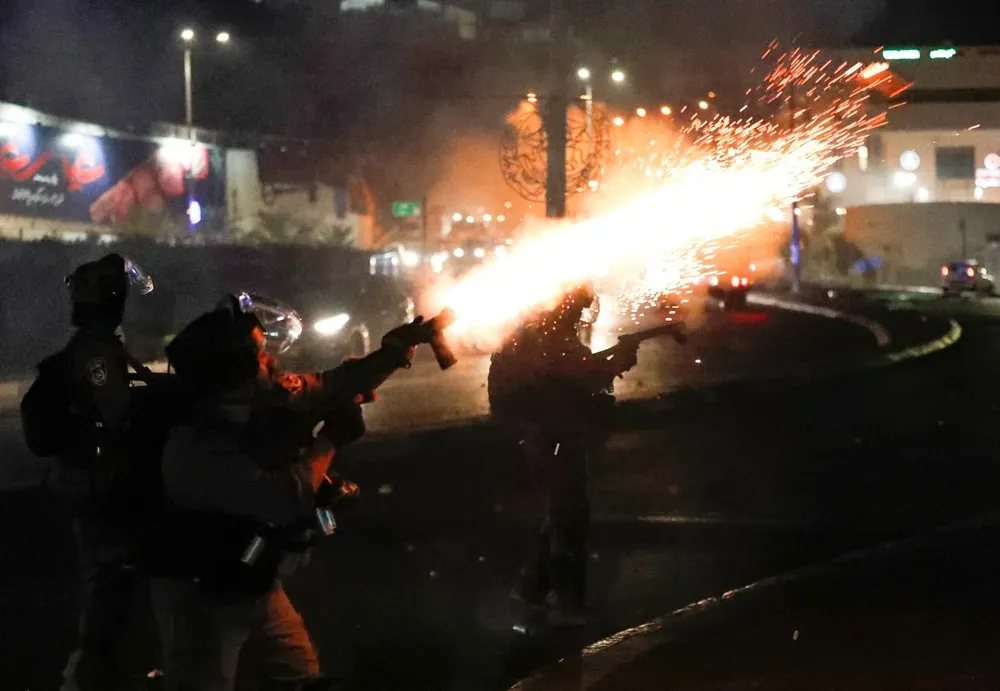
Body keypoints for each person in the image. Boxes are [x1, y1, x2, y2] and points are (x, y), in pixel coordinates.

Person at [145, 295, 424, 691]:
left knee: (302, 680)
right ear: (231, 373)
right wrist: (329, 440)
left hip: (256, 581)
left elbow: (333, 386)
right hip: (200, 598)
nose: (272, 361)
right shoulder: (195, 447)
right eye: (260, 356)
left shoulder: (259, 399)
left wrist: (393, 352)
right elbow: (283, 498)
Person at [33, 254, 154, 691]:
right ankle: (87, 677)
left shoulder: (95, 346)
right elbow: (119, 415)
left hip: (91, 484)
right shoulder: (96, 352)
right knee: (108, 589)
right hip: (99, 487)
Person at [488, 284, 638, 627]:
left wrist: (614, 361)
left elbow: (579, 372)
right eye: (579, 307)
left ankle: (531, 591)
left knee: (562, 514)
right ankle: (567, 602)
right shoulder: (547, 336)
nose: (581, 313)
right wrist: (620, 360)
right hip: (551, 436)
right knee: (569, 516)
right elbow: (579, 376)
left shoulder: (544, 333)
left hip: (550, 434)